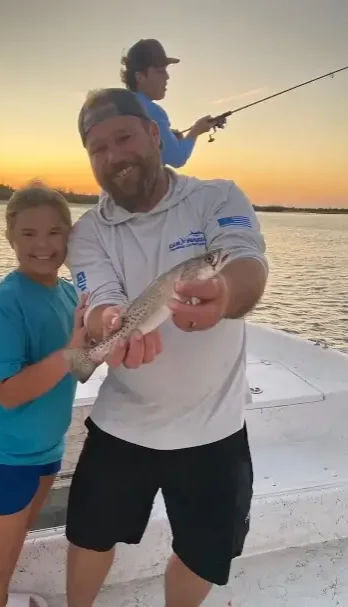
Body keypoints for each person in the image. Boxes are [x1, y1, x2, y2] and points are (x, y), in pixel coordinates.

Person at [65, 87, 268, 607]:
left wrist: (224, 296)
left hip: (214, 429)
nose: (113, 156)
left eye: (125, 137)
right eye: (97, 148)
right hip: (123, 425)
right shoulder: (88, 231)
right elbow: (101, 299)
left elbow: (245, 261)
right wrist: (107, 322)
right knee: (89, 535)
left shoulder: (216, 198)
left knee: (203, 552)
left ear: (155, 136)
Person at [0, 183, 88, 607]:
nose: (43, 245)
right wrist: (73, 350)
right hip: (1, 455)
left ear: (70, 235)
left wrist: (112, 343)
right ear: (10, 237)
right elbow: (8, 393)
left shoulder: (68, 293)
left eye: (55, 232)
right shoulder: (4, 305)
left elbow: (80, 365)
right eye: (29, 234)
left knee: (11, 554)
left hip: (45, 450)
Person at [120, 38, 226, 168]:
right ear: (140, 76)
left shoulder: (122, 106)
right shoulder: (153, 111)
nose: (167, 76)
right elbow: (177, 158)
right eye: (160, 71)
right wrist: (196, 130)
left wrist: (168, 135)